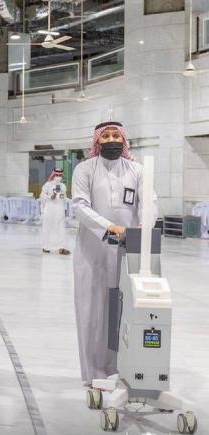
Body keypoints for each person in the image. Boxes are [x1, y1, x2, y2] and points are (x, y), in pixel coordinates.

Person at [71, 121, 158, 386]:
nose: (111, 140)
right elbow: (79, 205)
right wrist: (109, 226)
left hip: (129, 251)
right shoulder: (85, 169)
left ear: (124, 140)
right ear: (97, 141)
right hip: (93, 251)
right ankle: (94, 374)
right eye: (106, 136)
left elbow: (149, 202)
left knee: (126, 309)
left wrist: (144, 227)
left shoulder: (137, 170)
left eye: (116, 135)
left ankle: (123, 368)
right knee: (93, 311)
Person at [40, 168, 70, 255]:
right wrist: (50, 197)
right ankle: (46, 247)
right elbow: (41, 196)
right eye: (56, 175)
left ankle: (61, 248)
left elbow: (64, 198)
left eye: (60, 175)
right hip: (49, 209)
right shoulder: (48, 185)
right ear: (53, 175)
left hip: (60, 210)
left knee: (60, 228)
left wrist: (73, 201)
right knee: (48, 228)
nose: (58, 177)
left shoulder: (63, 186)